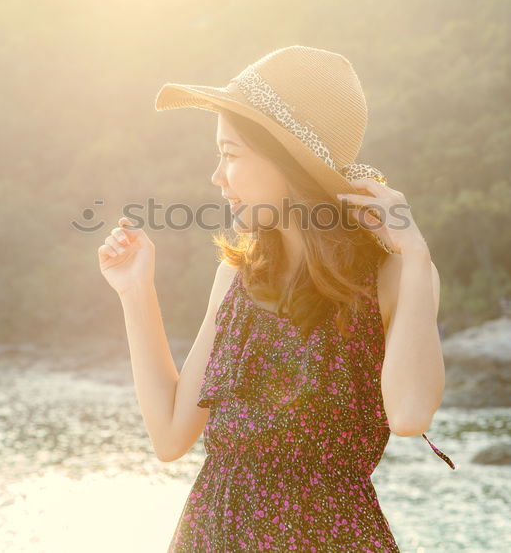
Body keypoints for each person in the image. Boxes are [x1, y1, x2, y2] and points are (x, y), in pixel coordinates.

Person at [98, 45, 454, 552]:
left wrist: (416, 254)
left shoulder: (397, 275)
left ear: (287, 161)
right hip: (213, 537)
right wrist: (135, 291)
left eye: (230, 154)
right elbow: (171, 436)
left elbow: (411, 414)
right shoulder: (236, 277)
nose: (217, 177)